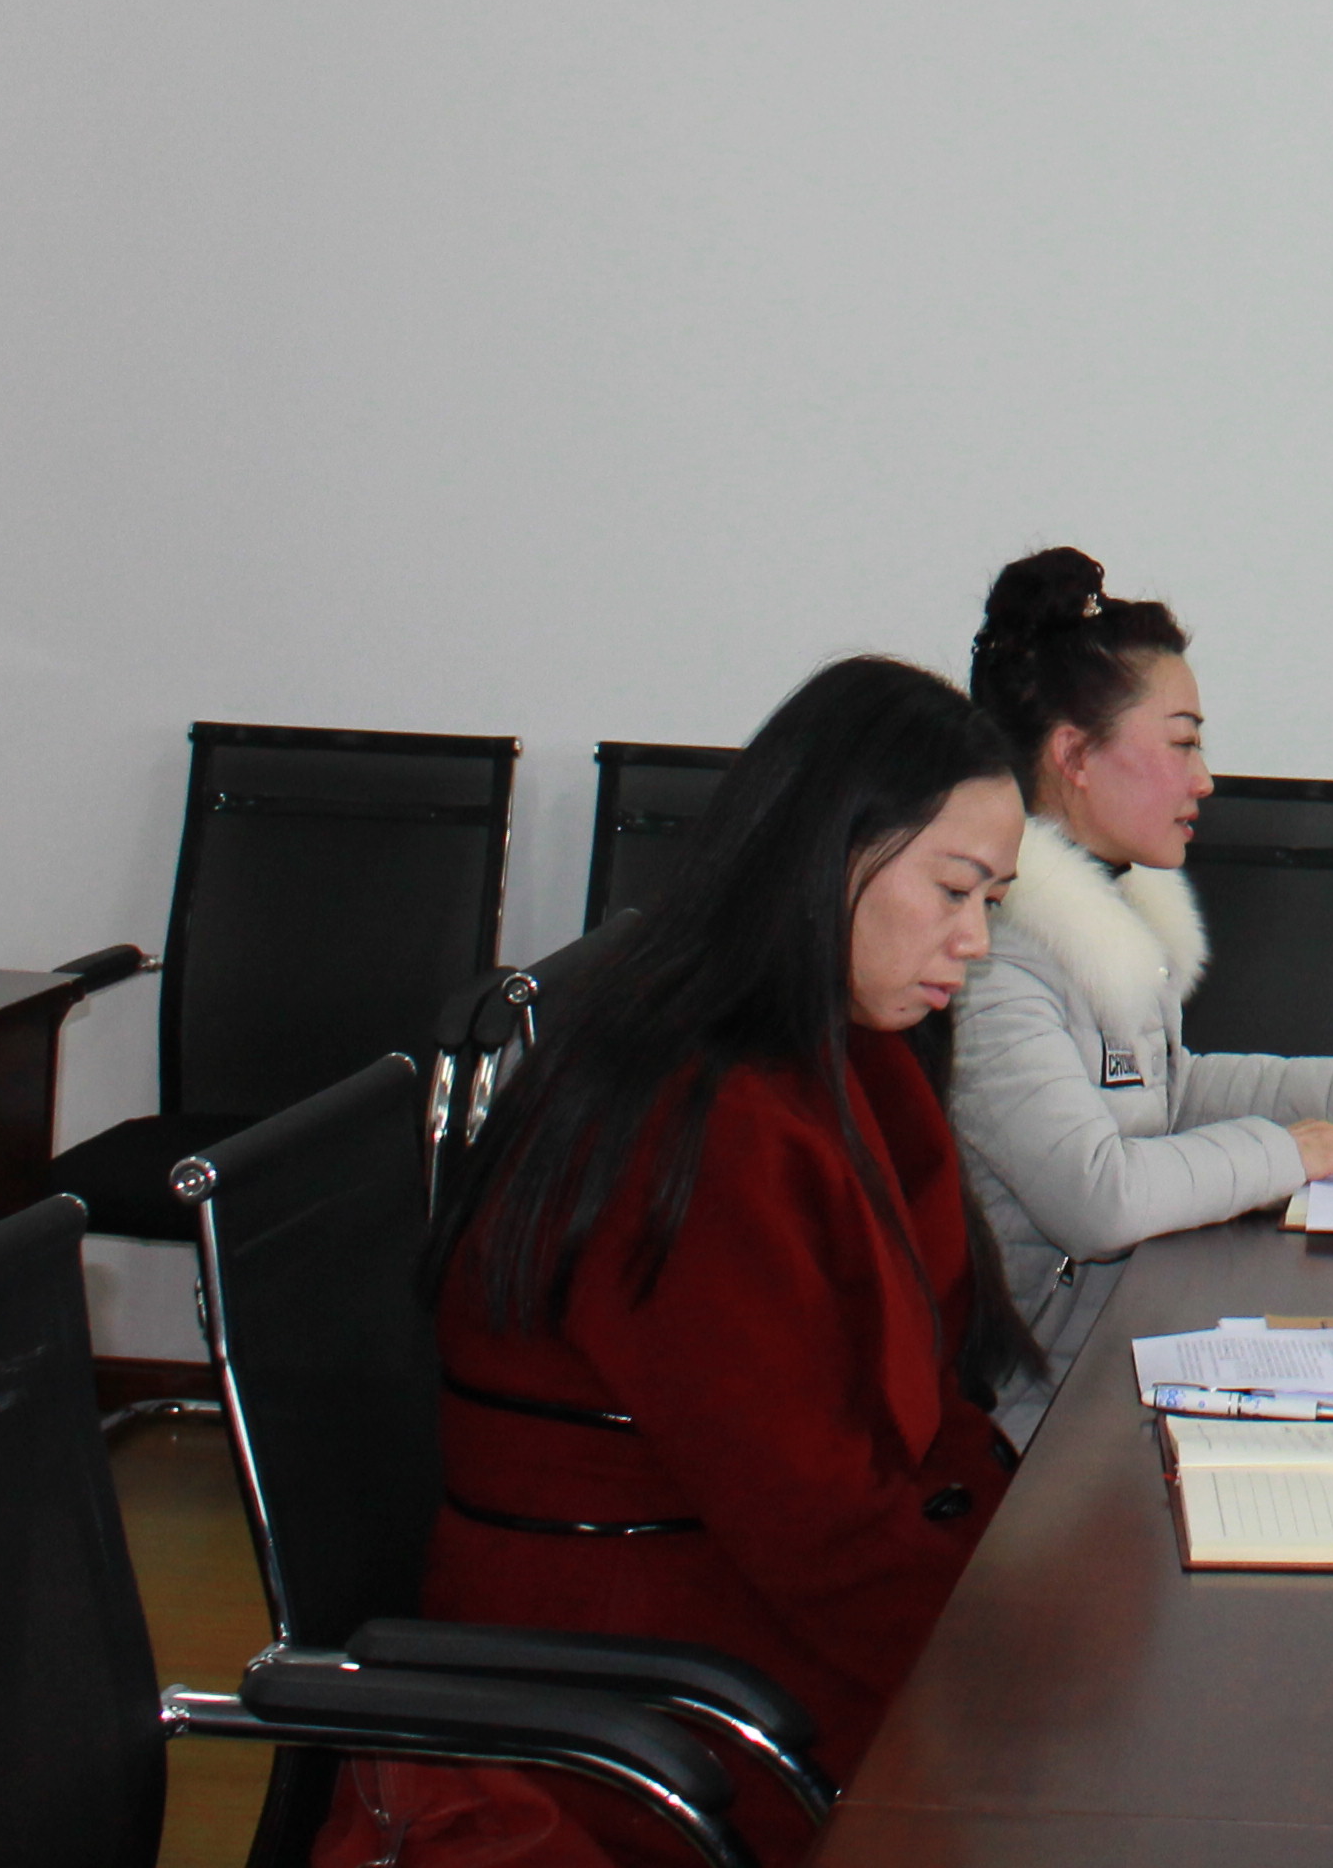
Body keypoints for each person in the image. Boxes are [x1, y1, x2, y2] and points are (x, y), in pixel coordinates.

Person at [327, 657, 1031, 1868]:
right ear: (828, 856)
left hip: (726, 1609)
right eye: (954, 890)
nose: (973, 941)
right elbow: (816, 1528)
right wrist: (1022, 1659)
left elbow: (930, 1402)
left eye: (995, 902)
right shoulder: (696, 1125)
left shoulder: (847, 1049)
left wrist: (1033, 1586)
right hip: (643, 1691)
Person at [952, 547, 1333, 1422]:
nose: (1204, 779)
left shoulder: (1101, 922)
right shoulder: (994, 962)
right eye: (1182, 743)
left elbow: (1172, 1095)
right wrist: (1288, 1152)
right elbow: (1099, 1198)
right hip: (1041, 1419)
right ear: (1074, 755)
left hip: (1124, 1343)